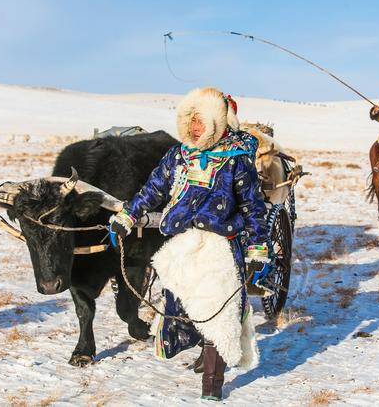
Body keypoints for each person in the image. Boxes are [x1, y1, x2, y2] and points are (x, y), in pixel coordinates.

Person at [109, 87, 269, 401]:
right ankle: (195, 349)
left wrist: (258, 250)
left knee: (217, 315)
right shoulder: (178, 155)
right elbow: (153, 189)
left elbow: (253, 207)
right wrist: (128, 215)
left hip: (220, 247)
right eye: (190, 120)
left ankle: (212, 387)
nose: (194, 127)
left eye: (200, 120)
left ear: (215, 122)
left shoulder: (237, 160)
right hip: (182, 244)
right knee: (180, 309)